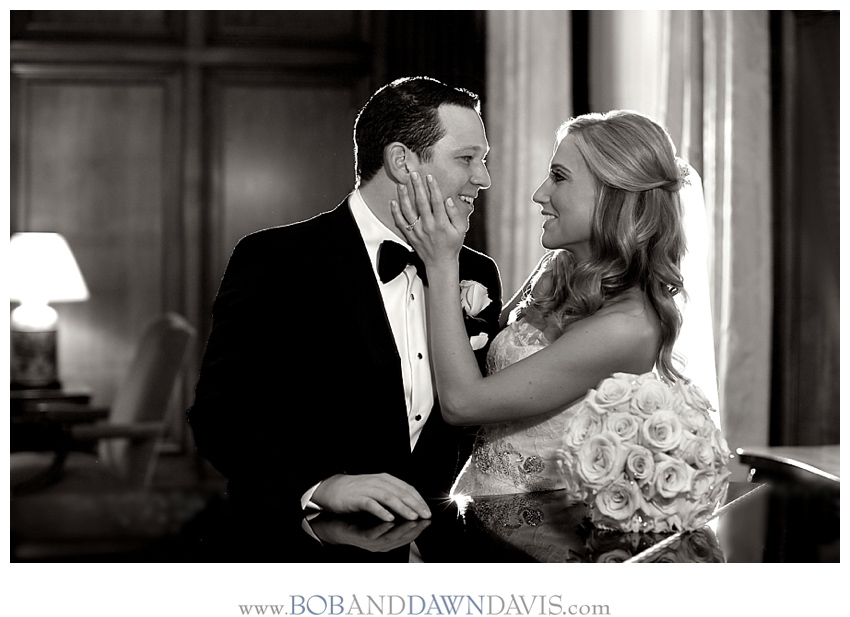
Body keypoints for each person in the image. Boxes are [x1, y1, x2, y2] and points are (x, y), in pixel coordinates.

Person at [188, 77, 502, 523]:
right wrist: (321, 486)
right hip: (304, 538)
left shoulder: (476, 272)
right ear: (402, 162)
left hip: (434, 539)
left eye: (483, 160)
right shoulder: (276, 260)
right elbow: (220, 415)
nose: (483, 178)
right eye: (467, 158)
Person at [391, 109, 709, 497]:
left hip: (537, 521)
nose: (539, 193)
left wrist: (442, 263)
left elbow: (463, 404)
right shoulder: (558, 269)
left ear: (612, 192)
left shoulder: (629, 325)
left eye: (559, 177)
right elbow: (476, 357)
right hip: (473, 497)